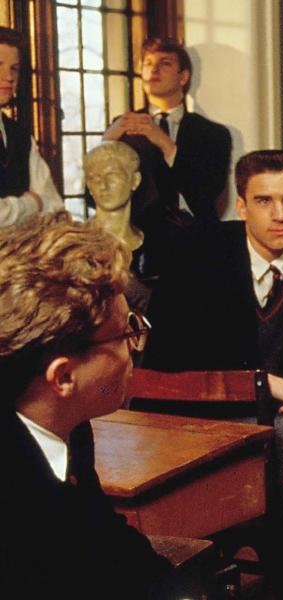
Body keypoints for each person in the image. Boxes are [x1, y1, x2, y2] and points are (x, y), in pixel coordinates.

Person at [142, 149, 283, 598]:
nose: (279, 215)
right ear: (243, 206)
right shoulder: (195, 252)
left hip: (272, 422)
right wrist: (264, 384)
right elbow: (166, 366)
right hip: (193, 421)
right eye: (264, 201)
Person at [0, 211, 197, 599]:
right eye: (125, 333)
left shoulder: (67, 426)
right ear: (64, 377)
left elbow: (103, 544)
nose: (134, 347)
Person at [103, 37, 231, 274]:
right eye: (148, 63)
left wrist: (166, 144)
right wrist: (107, 142)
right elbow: (97, 196)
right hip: (135, 256)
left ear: (183, 77)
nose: (154, 69)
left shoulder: (213, 134)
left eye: (165, 63)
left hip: (197, 252)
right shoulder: (122, 127)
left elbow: (206, 194)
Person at [0, 26, 61, 227]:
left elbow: (53, 205)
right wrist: (31, 204)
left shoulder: (20, 136)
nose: (9, 77)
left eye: (14, 68)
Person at [86, 141, 143, 254]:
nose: (103, 185)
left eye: (113, 176)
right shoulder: (74, 247)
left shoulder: (157, 247)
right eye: (96, 178)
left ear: (135, 180)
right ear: (89, 185)